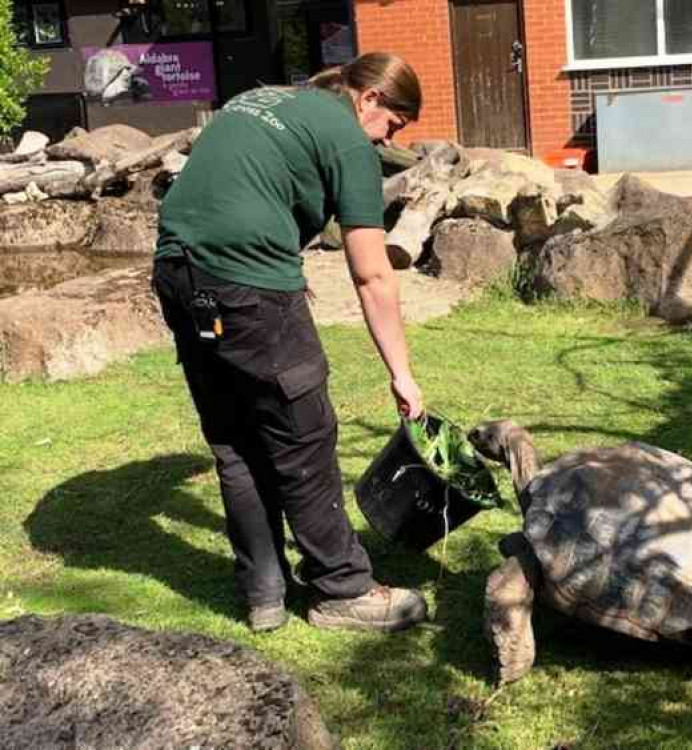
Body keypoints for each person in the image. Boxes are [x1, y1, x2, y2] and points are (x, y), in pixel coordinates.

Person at [152, 53, 428, 634]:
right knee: (305, 434)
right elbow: (372, 274)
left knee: (234, 438)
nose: (384, 140)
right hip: (246, 283)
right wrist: (401, 373)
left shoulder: (259, 98)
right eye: (392, 127)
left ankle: (264, 593)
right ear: (370, 98)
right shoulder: (349, 139)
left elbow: (239, 188)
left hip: (177, 275)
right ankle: (343, 589)